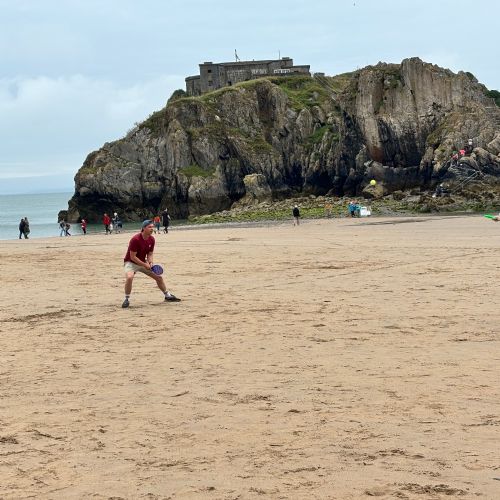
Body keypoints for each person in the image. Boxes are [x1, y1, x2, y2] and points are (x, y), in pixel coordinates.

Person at [121, 219, 181, 308]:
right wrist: (145, 264)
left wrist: (150, 262)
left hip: (143, 262)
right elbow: (133, 257)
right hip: (131, 262)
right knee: (129, 277)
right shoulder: (135, 239)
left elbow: (150, 253)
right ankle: (126, 299)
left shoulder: (152, 239)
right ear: (143, 228)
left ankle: (167, 295)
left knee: (159, 278)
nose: (152, 229)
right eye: (149, 227)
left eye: (153, 227)